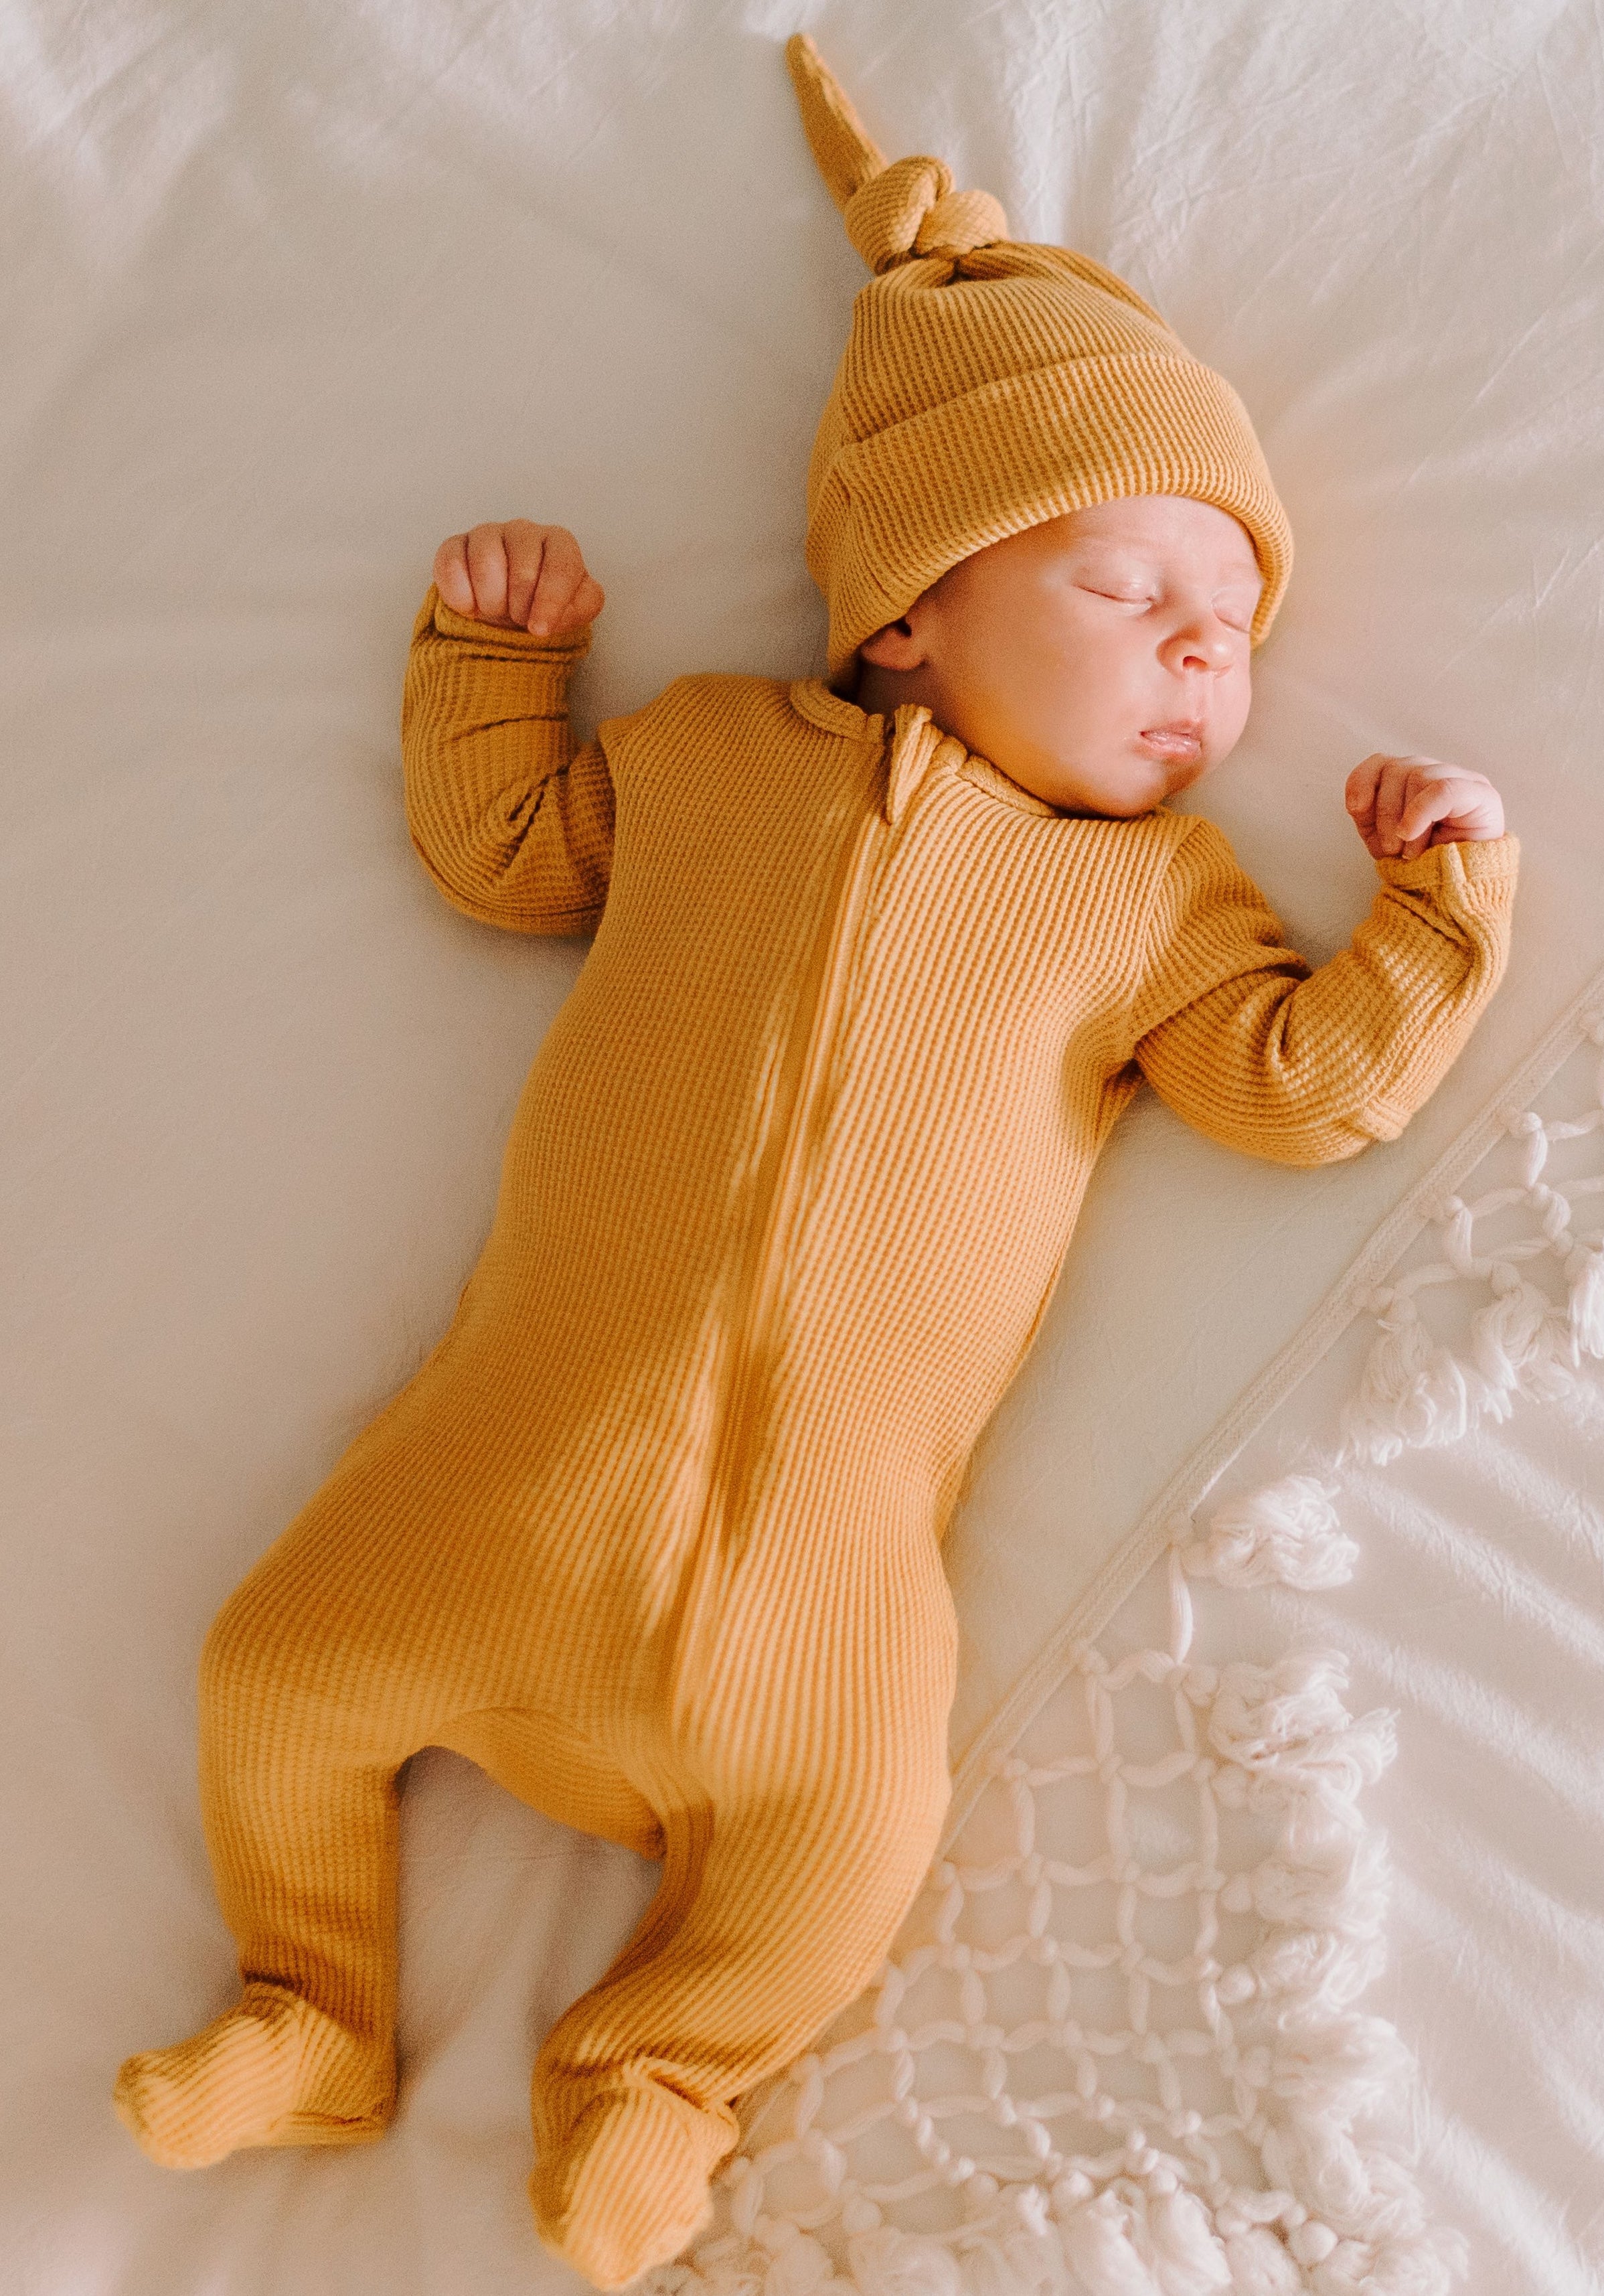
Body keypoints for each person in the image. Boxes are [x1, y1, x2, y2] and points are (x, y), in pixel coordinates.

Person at [112, 34, 1515, 2291]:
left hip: (825, 1587)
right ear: (906, 607)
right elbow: (503, 856)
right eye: (1127, 582)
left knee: (851, 1844)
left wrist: (1433, 916)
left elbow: (1294, 1088)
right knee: (275, 1671)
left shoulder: (1157, 904)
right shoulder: (701, 758)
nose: (1197, 651)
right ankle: (314, 2003)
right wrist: (498, 665)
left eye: (1232, 626)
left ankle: (655, 2072)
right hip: (499, 1482)